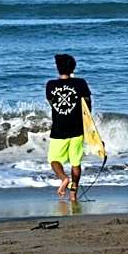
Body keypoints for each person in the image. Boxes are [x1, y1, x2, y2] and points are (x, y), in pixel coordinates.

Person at [45, 53, 92, 202]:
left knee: (54, 160)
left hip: (59, 129)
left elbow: (51, 102)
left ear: (57, 68)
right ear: (73, 68)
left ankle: (64, 179)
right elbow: (88, 106)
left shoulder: (50, 85)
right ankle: (73, 194)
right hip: (77, 129)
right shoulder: (81, 83)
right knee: (75, 163)